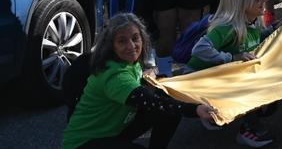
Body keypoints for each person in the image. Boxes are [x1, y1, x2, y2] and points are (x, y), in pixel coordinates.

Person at [61, 13, 216, 149]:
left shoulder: (129, 63)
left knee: (168, 99)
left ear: (143, 38)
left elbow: (151, 93)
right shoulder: (114, 75)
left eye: (135, 38)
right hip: (84, 143)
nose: (131, 46)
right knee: (163, 104)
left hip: (113, 132)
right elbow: (151, 101)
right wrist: (195, 109)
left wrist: (149, 76)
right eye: (122, 41)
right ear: (111, 46)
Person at [185, 0, 275, 146]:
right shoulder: (228, 27)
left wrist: (277, 29)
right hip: (198, 80)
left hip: (221, 76)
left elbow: (256, 40)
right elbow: (199, 49)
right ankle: (244, 128)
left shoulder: (252, 23)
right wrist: (232, 58)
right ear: (242, 3)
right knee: (255, 84)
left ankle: (227, 114)